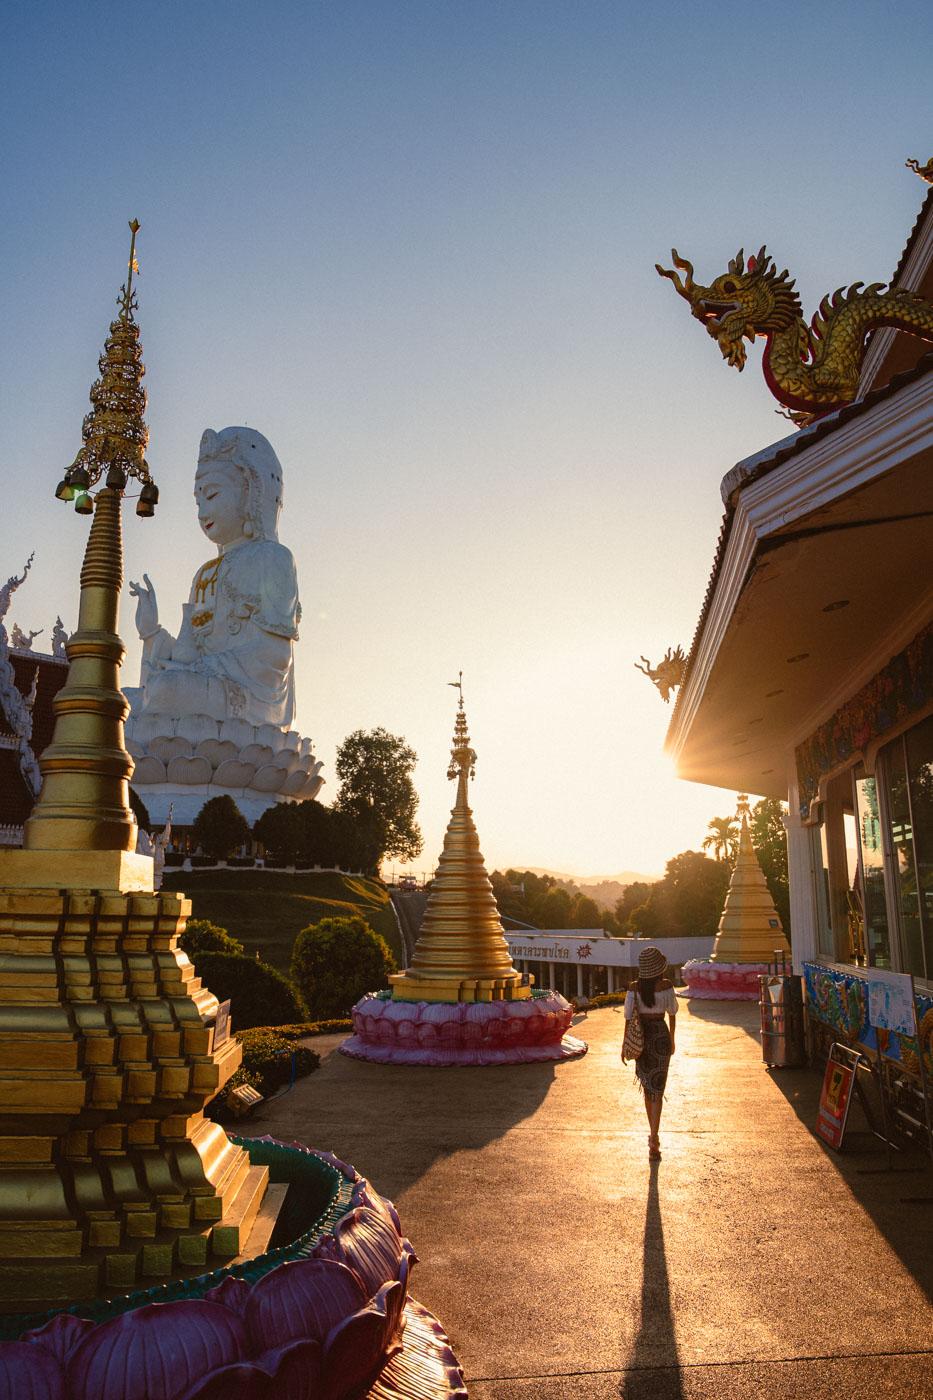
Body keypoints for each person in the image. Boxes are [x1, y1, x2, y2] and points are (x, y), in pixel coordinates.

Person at [128, 427, 300, 729]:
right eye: (197, 502)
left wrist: (201, 669)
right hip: (200, 685)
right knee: (127, 701)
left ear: (252, 492)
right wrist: (152, 632)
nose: (202, 512)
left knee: (167, 691)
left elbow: (275, 657)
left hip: (250, 700)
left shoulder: (274, 558)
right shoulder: (204, 574)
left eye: (212, 495)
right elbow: (189, 650)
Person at [623, 945, 677, 1159]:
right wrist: (672, 1039)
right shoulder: (666, 985)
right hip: (661, 1036)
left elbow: (628, 1018)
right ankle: (654, 1136)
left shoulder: (634, 988)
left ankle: (652, 1136)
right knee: (658, 1088)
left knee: (647, 1086)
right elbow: (672, 1013)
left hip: (642, 1037)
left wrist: (624, 1044)